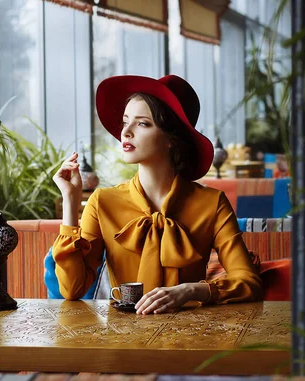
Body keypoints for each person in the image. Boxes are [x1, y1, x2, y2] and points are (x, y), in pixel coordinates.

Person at [52, 74, 262, 315]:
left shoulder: (212, 203)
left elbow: (248, 282)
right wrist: (70, 200)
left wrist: (190, 290)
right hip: (121, 340)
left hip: (192, 337)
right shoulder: (102, 202)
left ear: (171, 139)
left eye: (142, 123)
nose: (126, 132)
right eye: (125, 121)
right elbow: (72, 289)